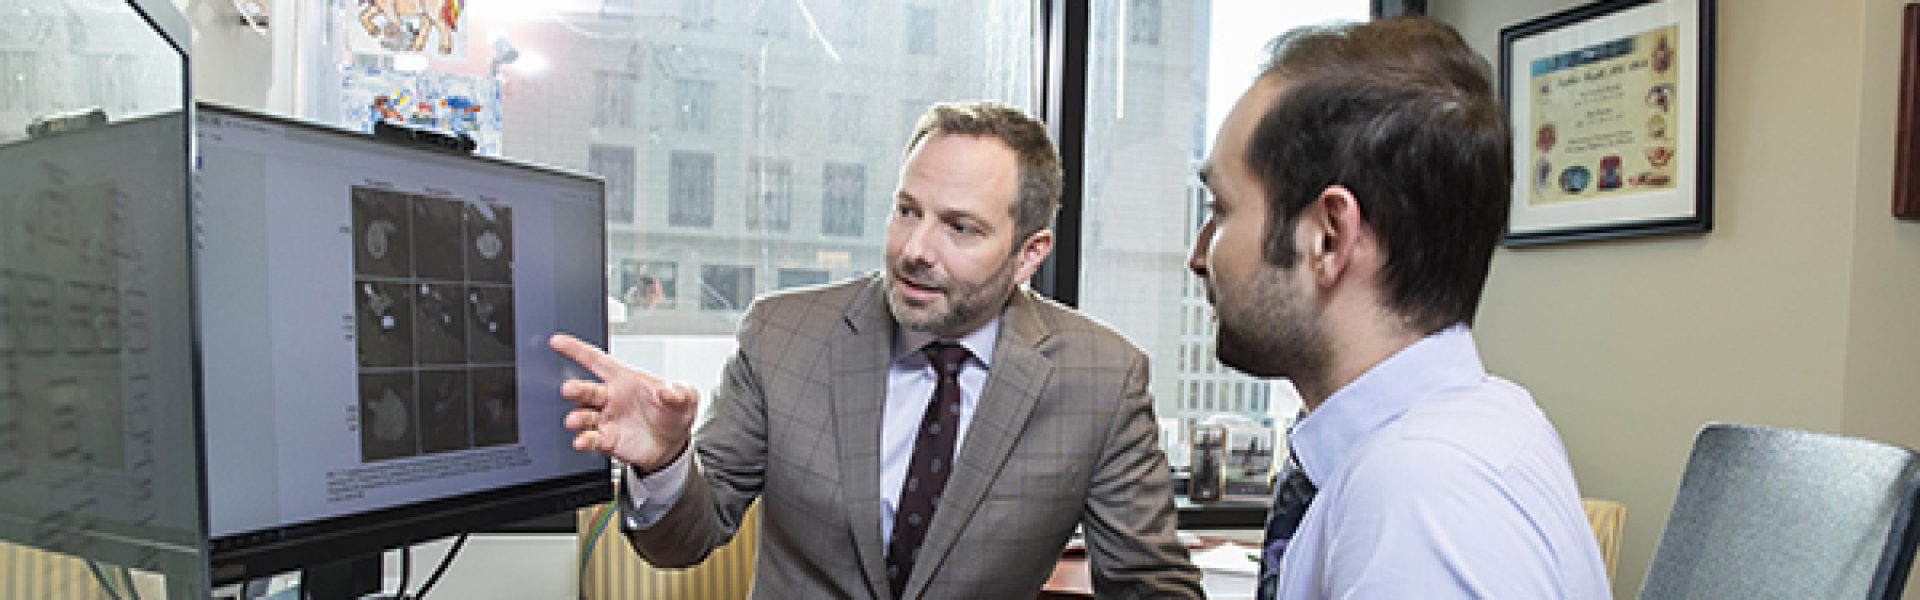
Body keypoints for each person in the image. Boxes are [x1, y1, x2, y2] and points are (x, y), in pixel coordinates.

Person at [552, 101, 1201, 599]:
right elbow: (687, 538)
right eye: (907, 211)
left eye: (960, 227)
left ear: (1029, 253)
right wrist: (666, 463)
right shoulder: (782, 336)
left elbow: (1152, 585)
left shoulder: (1103, 379)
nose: (916, 248)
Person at [1186, 18, 1610, 599]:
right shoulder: (1482, 428)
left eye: (1221, 209)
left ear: (1329, 238)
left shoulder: (1421, 494)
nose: (1198, 255)